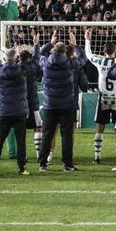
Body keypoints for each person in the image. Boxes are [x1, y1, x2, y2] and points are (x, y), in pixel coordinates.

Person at [36, 31, 88, 172]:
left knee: (47, 135)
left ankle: (42, 164)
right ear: (65, 51)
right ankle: (67, 164)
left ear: (54, 50)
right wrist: (75, 45)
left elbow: (39, 55)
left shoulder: (46, 63)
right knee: (67, 136)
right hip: (67, 105)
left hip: (50, 105)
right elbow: (83, 59)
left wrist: (49, 43)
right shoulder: (71, 64)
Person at [0, 37, 29, 176]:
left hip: (4, 112)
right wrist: (30, 48)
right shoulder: (22, 70)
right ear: (16, 59)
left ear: (4, 59)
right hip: (19, 112)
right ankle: (21, 168)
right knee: (21, 142)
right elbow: (34, 62)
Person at [84, 28, 116, 165]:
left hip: (103, 98)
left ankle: (97, 156)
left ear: (104, 52)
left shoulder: (100, 62)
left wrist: (87, 40)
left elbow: (89, 55)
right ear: (114, 51)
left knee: (100, 127)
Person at [20, 46, 43, 161]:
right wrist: (36, 45)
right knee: (38, 128)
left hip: (20, 104)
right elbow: (37, 59)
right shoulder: (33, 68)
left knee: (21, 131)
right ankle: (39, 155)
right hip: (33, 102)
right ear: (29, 58)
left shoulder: (17, 68)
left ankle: (23, 155)